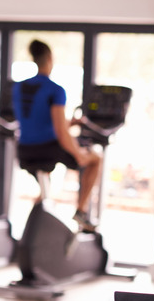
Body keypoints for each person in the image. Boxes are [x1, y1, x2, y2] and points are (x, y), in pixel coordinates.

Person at [12, 40, 102, 231]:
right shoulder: (55, 89)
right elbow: (62, 132)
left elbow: (36, 120)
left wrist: (70, 123)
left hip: (24, 150)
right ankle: (81, 211)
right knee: (95, 159)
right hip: (48, 148)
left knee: (45, 190)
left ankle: (33, 231)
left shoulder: (18, 88)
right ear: (50, 59)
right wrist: (79, 154)